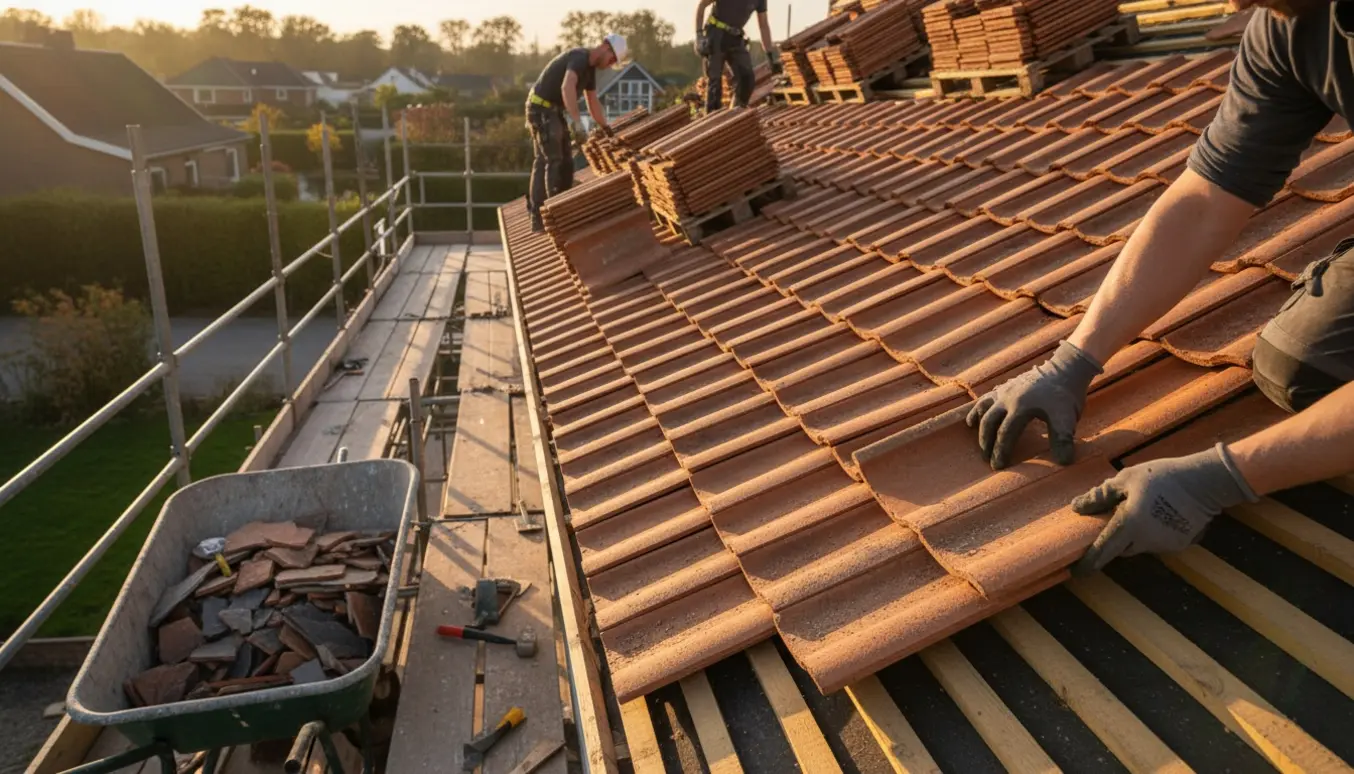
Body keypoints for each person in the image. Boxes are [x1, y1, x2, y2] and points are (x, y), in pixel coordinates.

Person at [965, 0, 1354, 573]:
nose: (1232, 5)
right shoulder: (1288, 25)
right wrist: (1072, 361)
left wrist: (1223, 477)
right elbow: (1205, 199)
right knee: (1303, 364)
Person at [525, 34, 626, 232]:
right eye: (612, 60)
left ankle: (547, 213)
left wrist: (605, 127)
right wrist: (577, 124)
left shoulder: (589, 70)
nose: (610, 64)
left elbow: (592, 101)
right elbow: (567, 86)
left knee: (563, 161)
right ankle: (551, 217)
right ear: (606, 47)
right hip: (541, 109)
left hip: (551, 110)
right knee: (554, 160)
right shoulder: (579, 58)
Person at [695, 0, 782, 112]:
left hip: (735, 37)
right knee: (715, 84)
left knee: (747, 78)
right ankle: (712, 122)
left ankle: (735, 114)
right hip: (715, 34)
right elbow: (702, 5)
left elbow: (763, 25)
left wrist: (770, 56)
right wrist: (699, 35)